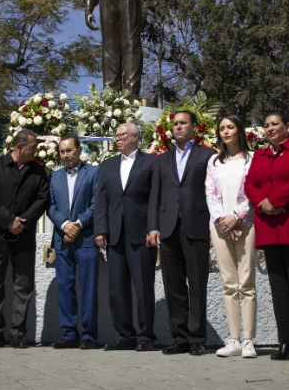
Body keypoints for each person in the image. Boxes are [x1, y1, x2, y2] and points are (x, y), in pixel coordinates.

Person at [245, 111, 289, 363]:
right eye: (266, 125)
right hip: (269, 229)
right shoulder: (260, 155)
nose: (270, 128)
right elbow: (249, 184)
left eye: (275, 124)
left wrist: (272, 201)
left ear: (288, 126)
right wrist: (264, 205)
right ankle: (286, 341)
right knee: (279, 289)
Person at [147, 111, 215, 356]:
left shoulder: (208, 155)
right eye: (175, 124)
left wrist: (212, 227)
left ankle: (197, 339)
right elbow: (155, 194)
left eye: (183, 123)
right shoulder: (161, 160)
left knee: (197, 284)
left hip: (196, 225)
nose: (178, 127)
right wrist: (153, 226)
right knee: (173, 285)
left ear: (194, 127)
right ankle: (180, 337)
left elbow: (213, 193)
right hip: (167, 229)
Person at [0, 129, 50, 348]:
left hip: (24, 237)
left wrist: (23, 222)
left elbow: (42, 199)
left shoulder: (38, 170)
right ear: (19, 146)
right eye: (32, 146)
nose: (36, 150)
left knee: (23, 287)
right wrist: (9, 220)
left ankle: (18, 333)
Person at [94, 122, 158, 352]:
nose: (116, 139)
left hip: (141, 234)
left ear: (134, 137)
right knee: (117, 288)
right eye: (116, 135)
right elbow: (101, 199)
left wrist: (153, 228)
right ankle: (124, 336)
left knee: (143, 287)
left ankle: (146, 336)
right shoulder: (108, 165)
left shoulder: (151, 162)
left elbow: (155, 199)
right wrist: (100, 229)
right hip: (114, 234)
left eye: (121, 135)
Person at [205, 115, 257, 358]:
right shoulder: (214, 162)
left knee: (246, 283)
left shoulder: (253, 159)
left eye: (231, 127)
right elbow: (211, 195)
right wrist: (224, 220)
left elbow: (254, 192)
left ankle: (248, 341)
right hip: (220, 227)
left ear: (240, 130)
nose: (226, 131)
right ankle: (234, 340)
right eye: (222, 128)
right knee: (228, 284)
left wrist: (236, 217)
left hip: (246, 224)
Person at [47, 135, 101, 349]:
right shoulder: (54, 176)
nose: (65, 155)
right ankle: (69, 334)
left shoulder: (95, 173)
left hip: (86, 239)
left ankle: (89, 334)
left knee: (89, 288)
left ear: (80, 150)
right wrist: (64, 225)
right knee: (64, 287)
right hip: (62, 240)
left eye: (69, 150)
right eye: (62, 151)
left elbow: (97, 203)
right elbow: (50, 206)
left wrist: (77, 224)